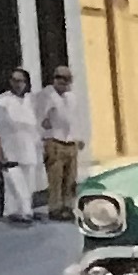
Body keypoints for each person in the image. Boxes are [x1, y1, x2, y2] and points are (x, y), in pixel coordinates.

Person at [0, 67, 41, 221]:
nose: (17, 84)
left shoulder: (31, 101)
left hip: (29, 150)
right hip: (10, 150)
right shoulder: (1, 102)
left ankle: (15, 212)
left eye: (21, 81)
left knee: (28, 184)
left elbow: (35, 126)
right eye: (14, 81)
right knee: (15, 184)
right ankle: (25, 212)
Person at [38, 67, 83, 206]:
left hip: (70, 142)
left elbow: (74, 119)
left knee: (70, 178)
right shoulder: (47, 95)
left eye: (67, 79)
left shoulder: (71, 97)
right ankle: (55, 208)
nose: (63, 82)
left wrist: (78, 137)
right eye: (60, 78)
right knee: (56, 178)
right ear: (54, 79)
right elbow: (39, 118)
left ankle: (68, 206)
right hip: (55, 142)